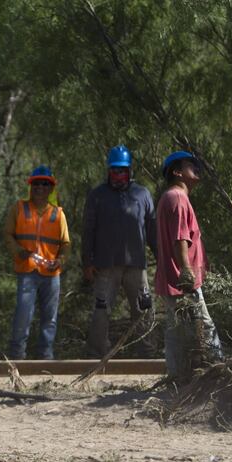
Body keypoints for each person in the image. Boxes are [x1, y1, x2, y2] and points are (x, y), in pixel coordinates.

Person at [82, 145, 157, 357]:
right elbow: (88, 230)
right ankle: (98, 354)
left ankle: (147, 353)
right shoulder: (97, 195)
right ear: (108, 171)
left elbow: (152, 230)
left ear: (129, 170)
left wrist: (162, 259)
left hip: (136, 265)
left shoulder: (142, 194)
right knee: (101, 310)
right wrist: (87, 262)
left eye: (122, 170)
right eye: (115, 170)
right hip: (106, 265)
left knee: (144, 309)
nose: (119, 175)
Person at [155, 151, 223, 382]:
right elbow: (180, 237)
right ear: (177, 172)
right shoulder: (177, 198)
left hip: (173, 278)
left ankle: (176, 376)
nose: (196, 167)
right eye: (190, 164)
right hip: (183, 279)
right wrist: (186, 268)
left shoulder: (170, 197)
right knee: (204, 324)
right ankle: (219, 372)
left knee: (175, 330)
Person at [4, 166, 70, 360]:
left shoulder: (58, 214)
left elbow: (66, 244)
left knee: (49, 319)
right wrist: (18, 251)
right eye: (36, 183)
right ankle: (16, 357)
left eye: (45, 184)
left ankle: (45, 358)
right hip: (27, 271)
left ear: (51, 188)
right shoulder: (19, 208)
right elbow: (8, 234)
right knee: (23, 316)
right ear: (30, 186)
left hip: (51, 275)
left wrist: (60, 261)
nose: (40, 187)